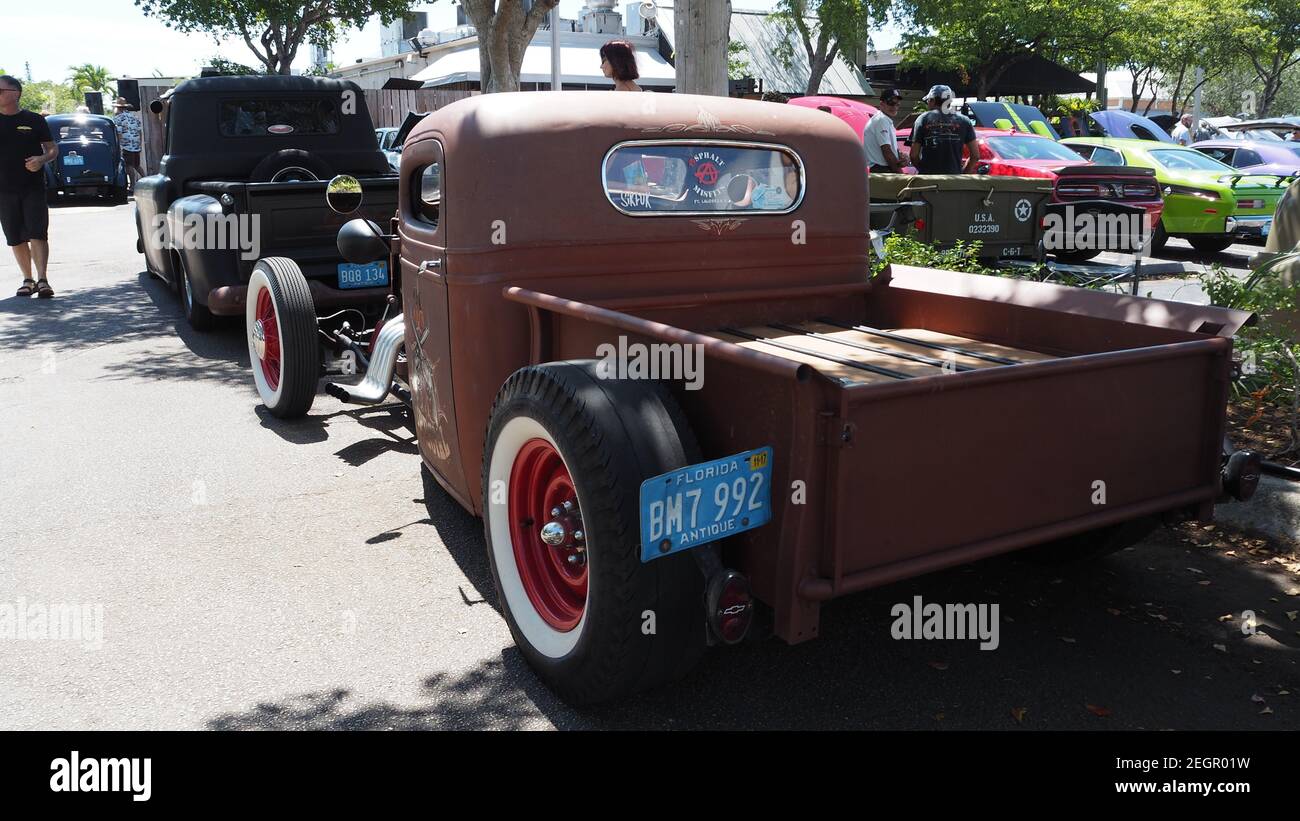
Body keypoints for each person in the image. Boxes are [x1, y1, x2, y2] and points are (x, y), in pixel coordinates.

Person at [0, 75, 58, 298]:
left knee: (37, 232)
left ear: (15, 93)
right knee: (15, 236)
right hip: (4, 189)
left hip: (32, 186)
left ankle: (42, 279)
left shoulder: (34, 120)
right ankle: (28, 279)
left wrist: (41, 160)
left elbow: (53, 149)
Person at [910, 85, 978, 175]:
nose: (928, 103)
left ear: (932, 100)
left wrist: (924, 170)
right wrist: (963, 175)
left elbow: (914, 155)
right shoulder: (964, 121)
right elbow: (975, 155)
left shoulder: (923, 119)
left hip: (928, 181)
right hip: (953, 180)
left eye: (928, 101)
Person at [863, 88, 908, 174]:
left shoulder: (884, 120)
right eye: (891, 103)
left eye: (897, 104)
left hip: (882, 170)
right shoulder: (881, 120)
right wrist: (900, 174)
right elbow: (886, 150)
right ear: (882, 104)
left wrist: (901, 157)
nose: (895, 107)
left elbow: (889, 150)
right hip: (882, 170)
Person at [111, 96, 143, 192]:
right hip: (136, 144)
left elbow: (119, 134)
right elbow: (139, 131)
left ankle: (132, 186)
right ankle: (146, 179)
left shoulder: (117, 118)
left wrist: (119, 146)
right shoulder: (134, 117)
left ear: (118, 107)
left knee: (129, 165)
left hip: (126, 145)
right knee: (136, 165)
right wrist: (139, 144)